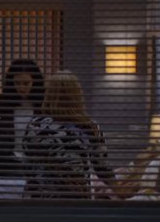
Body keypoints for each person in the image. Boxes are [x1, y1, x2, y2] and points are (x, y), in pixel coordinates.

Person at [21, 70, 119, 198]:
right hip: (77, 201)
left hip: (42, 200)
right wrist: (119, 188)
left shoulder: (35, 126)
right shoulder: (89, 127)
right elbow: (102, 168)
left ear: (49, 94)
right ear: (77, 95)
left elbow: (28, 164)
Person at [0, 59, 45, 177]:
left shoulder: (43, 104)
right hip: (8, 165)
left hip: (36, 166)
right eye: (17, 83)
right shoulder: (2, 103)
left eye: (26, 83)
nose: (21, 88)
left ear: (34, 82)